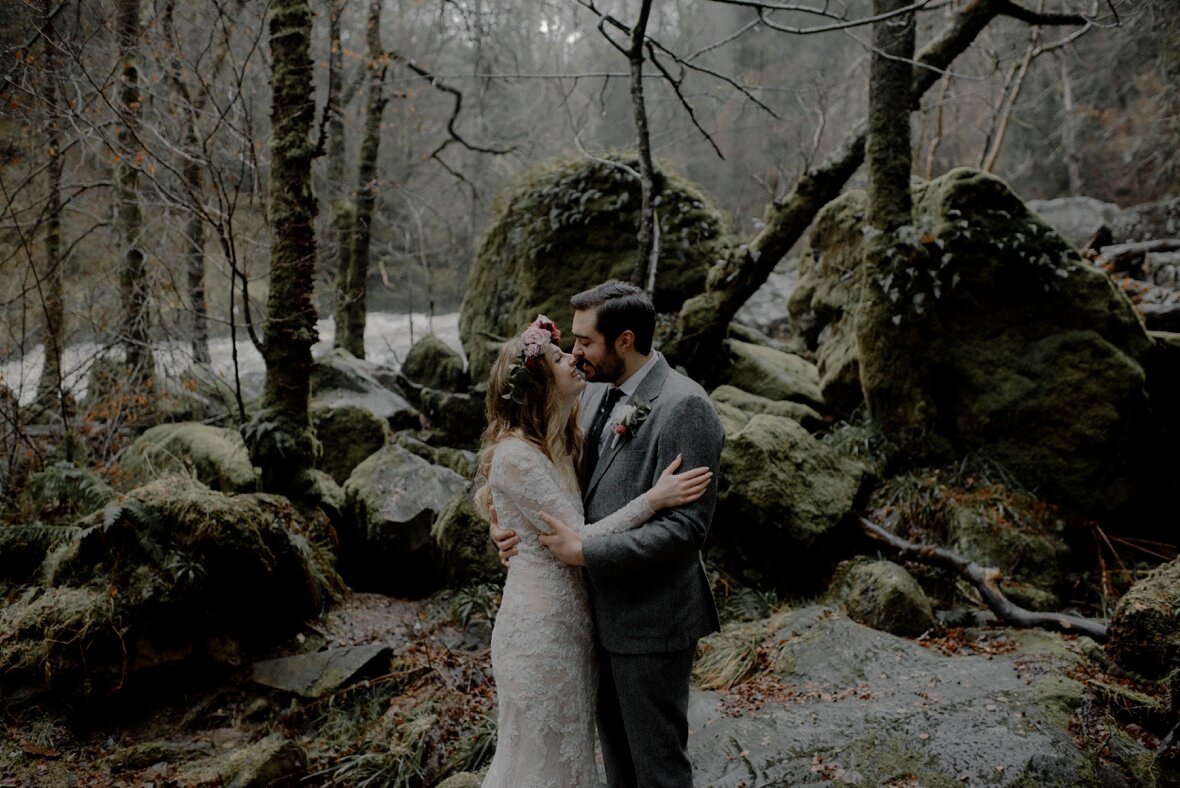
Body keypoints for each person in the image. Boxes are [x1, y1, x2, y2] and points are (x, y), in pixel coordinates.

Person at [492, 280, 725, 788]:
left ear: (624, 340)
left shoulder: (685, 406)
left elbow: (686, 529)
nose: (575, 354)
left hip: (649, 621)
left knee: (657, 768)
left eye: (584, 342)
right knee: (618, 767)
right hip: (590, 619)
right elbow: (527, 463)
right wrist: (504, 524)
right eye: (571, 342)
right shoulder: (593, 391)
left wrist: (586, 550)